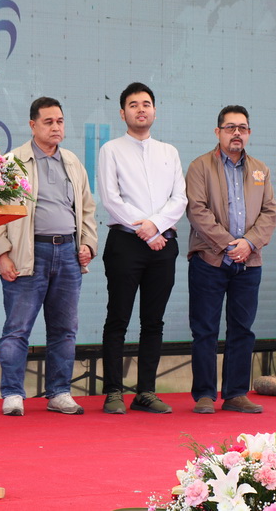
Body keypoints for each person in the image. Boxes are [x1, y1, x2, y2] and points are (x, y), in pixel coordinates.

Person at [0, 97, 98, 416]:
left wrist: (88, 245)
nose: (55, 127)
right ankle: (12, 393)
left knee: (65, 329)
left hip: (68, 253)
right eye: (48, 122)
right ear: (32, 125)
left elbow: (87, 210)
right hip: (27, 254)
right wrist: (1, 254)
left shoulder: (72, 162)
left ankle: (59, 392)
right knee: (17, 328)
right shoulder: (12, 162)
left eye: (60, 121)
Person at [97, 82, 187, 414]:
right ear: (123, 113)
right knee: (118, 318)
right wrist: (146, 230)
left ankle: (146, 392)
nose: (141, 109)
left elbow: (180, 198)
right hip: (125, 243)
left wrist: (156, 226)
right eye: (133, 104)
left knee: (153, 322)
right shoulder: (111, 149)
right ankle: (113, 392)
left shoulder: (169, 152)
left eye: (146, 104)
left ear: (155, 111)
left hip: (163, 245)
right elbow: (111, 199)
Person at [185, 105, 276, 415]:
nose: (236, 133)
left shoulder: (260, 170)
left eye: (242, 128)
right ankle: (204, 394)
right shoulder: (200, 166)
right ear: (218, 132)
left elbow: (269, 212)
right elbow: (196, 210)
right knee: (205, 330)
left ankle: (236, 394)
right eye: (230, 128)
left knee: (242, 329)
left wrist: (248, 243)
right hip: (209, 260)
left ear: (249, 133)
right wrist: (228, 245)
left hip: (249, 262)